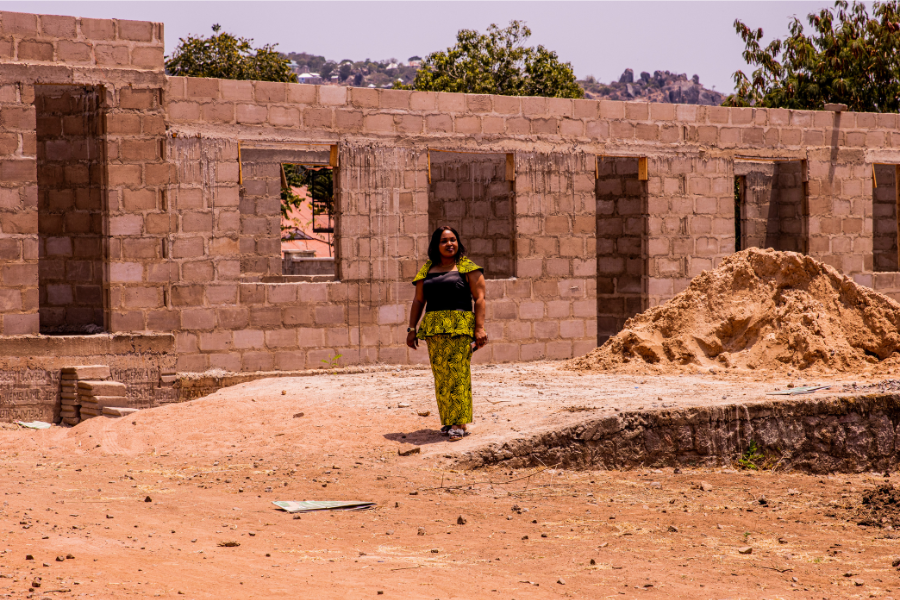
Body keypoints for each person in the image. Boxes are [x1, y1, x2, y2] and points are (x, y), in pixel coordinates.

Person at [406, 226, 487, 441]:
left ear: (458, 243)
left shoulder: (468, 268)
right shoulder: (427, 269)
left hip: (459, 327)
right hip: (434, 330)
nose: (449, 244)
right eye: (444, 241)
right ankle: (449, 421)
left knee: (458, 376)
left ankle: (460, 424)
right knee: (441, 377)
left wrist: (479, 328)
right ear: (436, 245)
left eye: (453, 240)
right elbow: (419, 300)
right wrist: (411, 329)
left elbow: (479, 299)